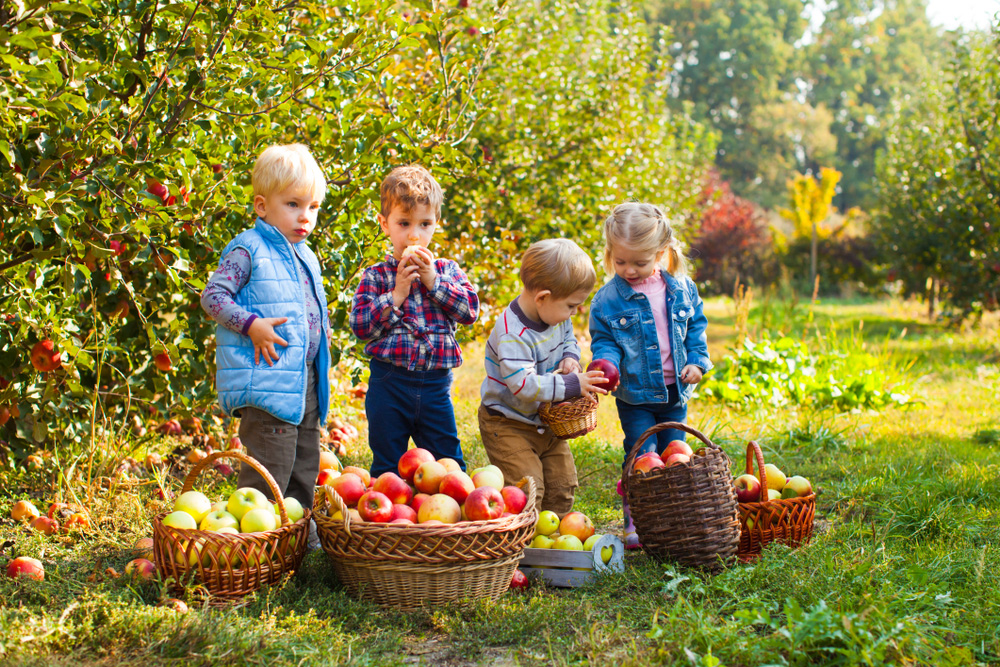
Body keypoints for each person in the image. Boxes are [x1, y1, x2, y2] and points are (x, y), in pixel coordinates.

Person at [201, 143, 331, 524]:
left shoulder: (305, 254)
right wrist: (251, 325)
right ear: (262, 206)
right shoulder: (249, 249)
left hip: (304, 379)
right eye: (293, 204)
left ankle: (297, 530)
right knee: (270, 464)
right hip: (266, 380)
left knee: (306, 458)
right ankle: (257, 536)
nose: (304, 216)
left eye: (313, 207)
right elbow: (213, 297)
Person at [588, 202, 712, 547]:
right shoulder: (607, 301)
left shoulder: (682, 289)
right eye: (620, 261)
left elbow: (695, 329)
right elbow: (605, 340)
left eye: (640, 263)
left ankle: (674, 514)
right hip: (636, 396)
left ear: (660, 253)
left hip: (676, 392)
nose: (629, 269)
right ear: (610, 253)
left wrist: (698, 362)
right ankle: (638, 514)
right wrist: (605, 364)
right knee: (643, 455)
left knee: (676, 454)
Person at [350, 165, 479, 477]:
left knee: (448, 463)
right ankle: (390, 525)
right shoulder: (377, 276)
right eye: (404, 223)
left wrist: (433, 282)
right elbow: (361, 326)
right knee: (387, 465)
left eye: (424, 224)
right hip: (388, 382)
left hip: (435, 385)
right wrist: (396, 295)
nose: (414, 234)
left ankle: (446, 520)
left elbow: (469, 312)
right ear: (385, 224)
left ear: (436, 224)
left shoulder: (447, 271)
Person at [478, 239, 607, 514]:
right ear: (542, 297)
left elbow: (569, 338)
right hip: (508, 422)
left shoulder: (556, 315)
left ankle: (555, 543)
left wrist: (570, 357)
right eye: (571, 306)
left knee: (563, 485)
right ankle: (523, 546)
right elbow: (523, 385)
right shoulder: (514, 334)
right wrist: (573, 384)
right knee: (528, 488)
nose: (574, 313)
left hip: (546, 422)